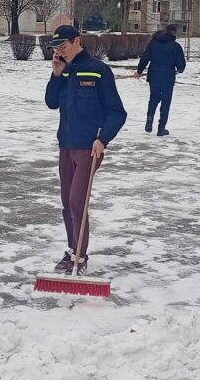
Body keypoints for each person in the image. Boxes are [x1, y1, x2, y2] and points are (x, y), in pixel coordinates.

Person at [43, 25, 127, 275]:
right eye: (56, 48)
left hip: (89, 148)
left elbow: (117, 112)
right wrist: (56, 75)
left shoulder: (99, 71)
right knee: (66, 203)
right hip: (66, 146)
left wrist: (103, 139)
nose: (60, 51)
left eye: (63, 46)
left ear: (76, 40)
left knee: (77, 201)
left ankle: (80, 256)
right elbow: (51, 102)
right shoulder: (65, 71)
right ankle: (71, 250)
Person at [135, 24, 186, 136]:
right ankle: (161, 128)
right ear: (174, 33)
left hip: (154, 76)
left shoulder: (153, 43)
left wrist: (139, 71)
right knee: (166, 102)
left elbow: (145, 58)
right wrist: (180, 69)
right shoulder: (176, 46)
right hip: (168, 77)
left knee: (153, 98)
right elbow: (181, 65)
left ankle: (149, 118)